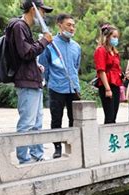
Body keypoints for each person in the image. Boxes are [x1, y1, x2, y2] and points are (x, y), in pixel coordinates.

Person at [6, 0, 54, 164]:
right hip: (26, 82)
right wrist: (44, 41)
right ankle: (24, 159)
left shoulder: (25, 28)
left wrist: (36, 65)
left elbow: (27, 57)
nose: (44, 15)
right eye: (43, 11)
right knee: (27, 123)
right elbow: (25, 53)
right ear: (34, 9)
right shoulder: (19, 26)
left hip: (33, 80)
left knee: (37, 123)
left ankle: (37, 155)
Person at [38, 13, 81, 159]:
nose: (72, 28)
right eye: (69, 25)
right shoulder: (51, 44)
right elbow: (44, 66)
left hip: (73, 88)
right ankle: (57, 147)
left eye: (73, 25)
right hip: (56, 87)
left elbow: (76, 67)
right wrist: (49, 82)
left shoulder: (76, 47)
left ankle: (72, 146)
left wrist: (76, 84)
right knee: (56, 118)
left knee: (73, 118)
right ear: (60, 25)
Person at [94, 24, 122, 124]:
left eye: (117, 37)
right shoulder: (101, 50)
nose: (116, 39)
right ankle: (107, 138)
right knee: (109, 116)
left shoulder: (115, 52)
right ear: (107, 37)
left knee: (114, 114)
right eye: (114, 36)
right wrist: (107, 89)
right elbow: (101, 71)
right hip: (107, 85)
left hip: (116, 84)